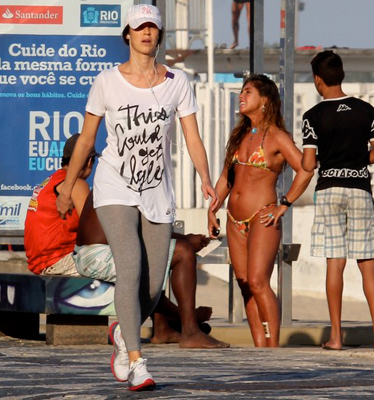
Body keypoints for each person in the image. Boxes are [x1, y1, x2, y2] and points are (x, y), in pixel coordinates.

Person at [56, 4, 218, 391]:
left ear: (159, 35)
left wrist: (206, 180)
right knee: (129, 265)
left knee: (151, 285)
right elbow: (87, 139)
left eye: (152, 27)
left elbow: (192, 137)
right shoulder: (107, 81)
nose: (146, 33)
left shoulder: (177, 83)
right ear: (127, 35)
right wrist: (68, 184)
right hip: (114, 185)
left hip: (157, 190)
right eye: (139, 27)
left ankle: (121, 335)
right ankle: (136, 360)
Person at [301, 50, 374, 352]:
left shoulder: (313, 117)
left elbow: (308, 164)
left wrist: (328, 161)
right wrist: (357, 159)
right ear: (342, 75)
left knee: (335, 262)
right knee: (367, 261)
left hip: (329, 189)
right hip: (359, 188)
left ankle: (336, 336)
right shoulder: (365, 110)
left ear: (318, 80)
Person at [207, 74, 313, 347]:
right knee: (243, 283)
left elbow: (306, 169)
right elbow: (225, 179)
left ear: (264, 100)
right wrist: (213, 208)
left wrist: (284, 205)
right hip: (233, 217)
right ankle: (259, 346)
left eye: (248, 92)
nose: (241, 96)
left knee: (257, 281)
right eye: (241, 92)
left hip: (262, 216)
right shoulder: (239, 135)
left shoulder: (277, 137)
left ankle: (274, 348)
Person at [74, 191, 229, 349]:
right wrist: (186, 239)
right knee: (183, 252)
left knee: (155, 256)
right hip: (98, 255)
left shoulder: (110, 182)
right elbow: (144, 232)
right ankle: (190, 330)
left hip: (89, 253)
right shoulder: (127, 184)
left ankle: (163, 329)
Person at [25, 134, 97, 276]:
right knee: (128, 266)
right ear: (89, 161)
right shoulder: (76, 184)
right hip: (59, 261)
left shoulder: (51, 180)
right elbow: (94, 231)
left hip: (41, 263)